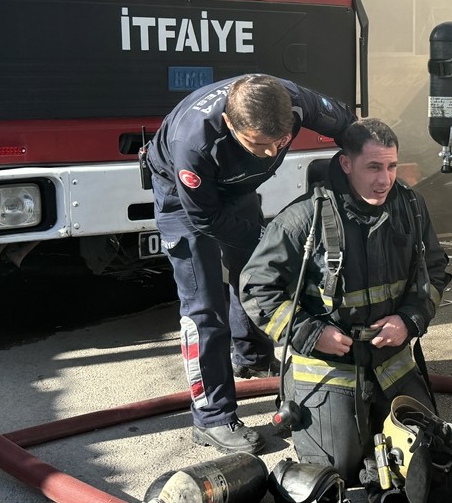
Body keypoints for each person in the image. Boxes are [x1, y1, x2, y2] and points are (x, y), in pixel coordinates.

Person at [145, 74, 356, 454]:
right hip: (187, 203)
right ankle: (211, 418)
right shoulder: (193, 143)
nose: (273, 151)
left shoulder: (292, 98)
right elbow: (207, 218)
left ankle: (254, 359)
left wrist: (364, 162)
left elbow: (348, 125)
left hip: (237, 189)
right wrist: (268, 241)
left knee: (258, 277)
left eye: (281, 141)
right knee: (203, 308)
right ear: (230, 124)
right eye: (260, 144)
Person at [240, 119, 452, 484]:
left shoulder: (411, 207)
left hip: (391, 364)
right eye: (373, 167)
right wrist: (310, 333)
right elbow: (257, 289)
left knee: (426, 455)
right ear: (346, 164)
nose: (384, 180)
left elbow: (435, 270)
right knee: (335, 473)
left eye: (391, 166)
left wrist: (411, 319)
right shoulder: (303, 218)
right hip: (330, 368)